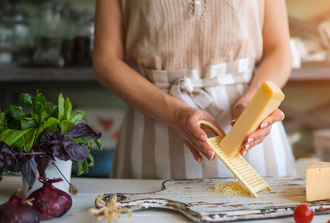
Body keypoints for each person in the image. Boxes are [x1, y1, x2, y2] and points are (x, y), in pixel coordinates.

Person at [93, 0, 296, 179]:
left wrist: (254, 106)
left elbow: (279, 51)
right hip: (153, 127)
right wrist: (176, 114)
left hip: (250, 138)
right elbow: (106, 61)